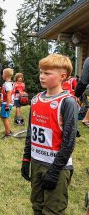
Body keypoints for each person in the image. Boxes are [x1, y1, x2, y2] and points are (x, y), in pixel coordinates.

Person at [21, 54, 78, 215]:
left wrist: (55, 170)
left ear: (62, 76)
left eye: (47, 73)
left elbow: (69, 141)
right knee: (37, 206)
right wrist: (26, 159)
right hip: (37, 162)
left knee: (53, 210)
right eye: (41, 72)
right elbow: (31, 133)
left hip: (56, 167)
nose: (42, 76)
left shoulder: (67, 102)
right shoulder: (36, 99)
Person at [0, 68, 14, 137]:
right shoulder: (7, 83)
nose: (2, 75)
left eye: (3, 74)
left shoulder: (8, 84)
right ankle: (8, 130)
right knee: (4, 116)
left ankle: (8, 133)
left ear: (6, 75)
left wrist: (7, 105)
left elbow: (9, 95)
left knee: (4, 117)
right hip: (5, 103)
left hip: (6, 103)